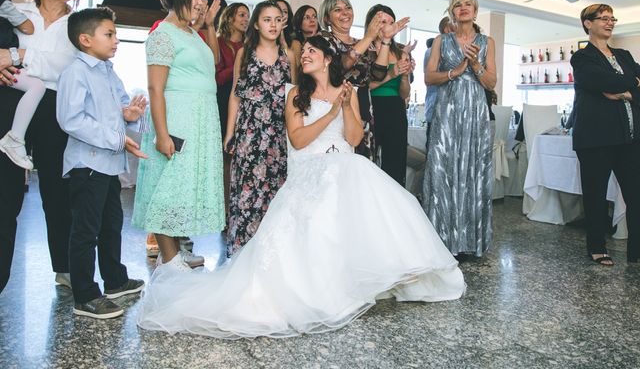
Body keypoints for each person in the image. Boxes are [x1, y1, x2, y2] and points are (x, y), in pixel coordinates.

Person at [136, 35, 465, 338]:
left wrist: (348, 106)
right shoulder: (295, 93)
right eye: (303, 51)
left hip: (346, 162)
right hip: (312, 167)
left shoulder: (346, 88)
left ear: (326, 60)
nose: (304, 55)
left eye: (311, 51)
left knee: (385, 197)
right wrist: (332, 111)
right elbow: (299, 138)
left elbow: (353, 139)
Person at [0, 0, 82, 293]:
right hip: (13, 102)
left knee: (56, 191)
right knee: (6, 195)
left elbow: (64, 66)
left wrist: (18, 56)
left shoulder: (78, 23)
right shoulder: (17, 11)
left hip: (54, 107)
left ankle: (63, 268)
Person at [56, 7, 147, 318]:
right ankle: (85, 295)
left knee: (111, 225)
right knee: (86, 231)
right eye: (109, 34)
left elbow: (120, 105)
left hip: (109, 165)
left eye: (116, 34)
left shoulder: (108, 71)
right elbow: (72, 120)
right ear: (85, 39)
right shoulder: (75, 73)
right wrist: (117, 139)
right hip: (88, 165)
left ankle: (116, 280)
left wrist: (129, 114)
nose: (116, 40)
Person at [132, 0, 225, 270]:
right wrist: (162, 134)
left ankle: (176, 252)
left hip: (201, 116)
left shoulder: (191, 33)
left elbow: (213, 61)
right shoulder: (163, 34)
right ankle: (169, 258)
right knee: (167, 189)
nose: (201, 2)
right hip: (178, 116)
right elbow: (155, 88)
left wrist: (208, 25)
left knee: (182, 189)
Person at [422, 0, 497, 257]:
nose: (463, 8)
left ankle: (469, 242)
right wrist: (455, 71)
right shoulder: (442, 41)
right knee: (442, 168)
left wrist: (474, 64)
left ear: (475, 12)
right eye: (458, 5)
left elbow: (490, 83)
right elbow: (429, 78)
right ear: (452, 11)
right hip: (447, 109)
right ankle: (440, 241)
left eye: (468, 5)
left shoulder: (488, 42)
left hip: (475, 111)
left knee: (473, 169)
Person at [224, 0, 296, 256]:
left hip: (279, 134)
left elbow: (294, 97)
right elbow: (236, 94)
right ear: (256, 23)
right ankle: (243, 252)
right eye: (267, 19)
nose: (273, 24)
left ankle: (272, 254)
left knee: (277, 191)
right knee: (248, 191)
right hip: (250, 131)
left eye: (278, 19)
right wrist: (230, 132)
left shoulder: (290, 56)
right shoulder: (245, 52)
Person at [571, 3, 640, 266]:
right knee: (596, 195)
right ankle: (597, 247)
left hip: (630, 137)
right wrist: (633, 83)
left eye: (613, 18)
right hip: (596, 138)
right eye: (604, 18)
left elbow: (614, 85)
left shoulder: (623, 55)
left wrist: (626, 91)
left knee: (636, 194)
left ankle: (636, 250)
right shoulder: (582, 58)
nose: (610, 23)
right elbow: (601, 82)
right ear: (588, 23)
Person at [318, 0, 409, 161]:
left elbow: (377, 74)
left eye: (348, 8)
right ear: (326, 18)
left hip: (363, 109)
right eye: (337, 10)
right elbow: (341, 67)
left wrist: (387, 40)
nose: (345, 13)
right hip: (335, 107)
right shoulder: (323, 39)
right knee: (339, 163)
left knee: (364, 165)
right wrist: (369, 37)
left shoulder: (362, 43)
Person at [0, 0, 42, 169]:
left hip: (7, 67)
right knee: (37, 85)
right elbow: (28, 28)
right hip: (9, 65)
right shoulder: (3, 3)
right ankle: (15, 139)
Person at [366, 4, 411, 185]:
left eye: (392, 22)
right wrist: (392, 74)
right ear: (372, 23)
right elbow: (364, 86)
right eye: (383, 21)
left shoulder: (400, 51)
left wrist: (404, 76)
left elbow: (404, 93)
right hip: (370, 108)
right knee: (368, 160)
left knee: (395, 161)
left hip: (395, 109)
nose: (389, 26)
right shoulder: (364, 49)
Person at [215, 2, 249, 215]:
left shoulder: (251, 46)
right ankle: (226, 211)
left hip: (247, 106)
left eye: (248, 16)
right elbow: (217, 77)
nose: (246, 19)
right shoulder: (218, 44)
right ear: (229, 19)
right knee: (227, 158)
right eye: (242, 15)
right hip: (224, 103)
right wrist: (238, 67)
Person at [423, 16, 454, 153]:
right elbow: (430, 78)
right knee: (435, 154)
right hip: (438, 109)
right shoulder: (433, 51)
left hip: (454, 113)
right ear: (447, 29)